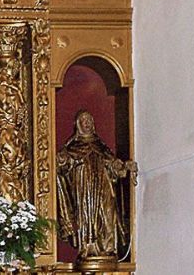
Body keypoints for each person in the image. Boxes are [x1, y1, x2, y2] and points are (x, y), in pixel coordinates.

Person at [56, 110, 136, 261]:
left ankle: (108, 248)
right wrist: (61, 159)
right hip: (84, 188)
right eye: (84, 120)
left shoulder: (101, 147)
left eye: (89, 120)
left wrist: (125, 166)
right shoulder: (72, 148)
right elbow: (62, 166)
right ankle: (88, 248)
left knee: (108, 213)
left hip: (104, 186)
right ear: (78, 125)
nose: (87, 123)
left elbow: (113, 165)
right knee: (86, 216)